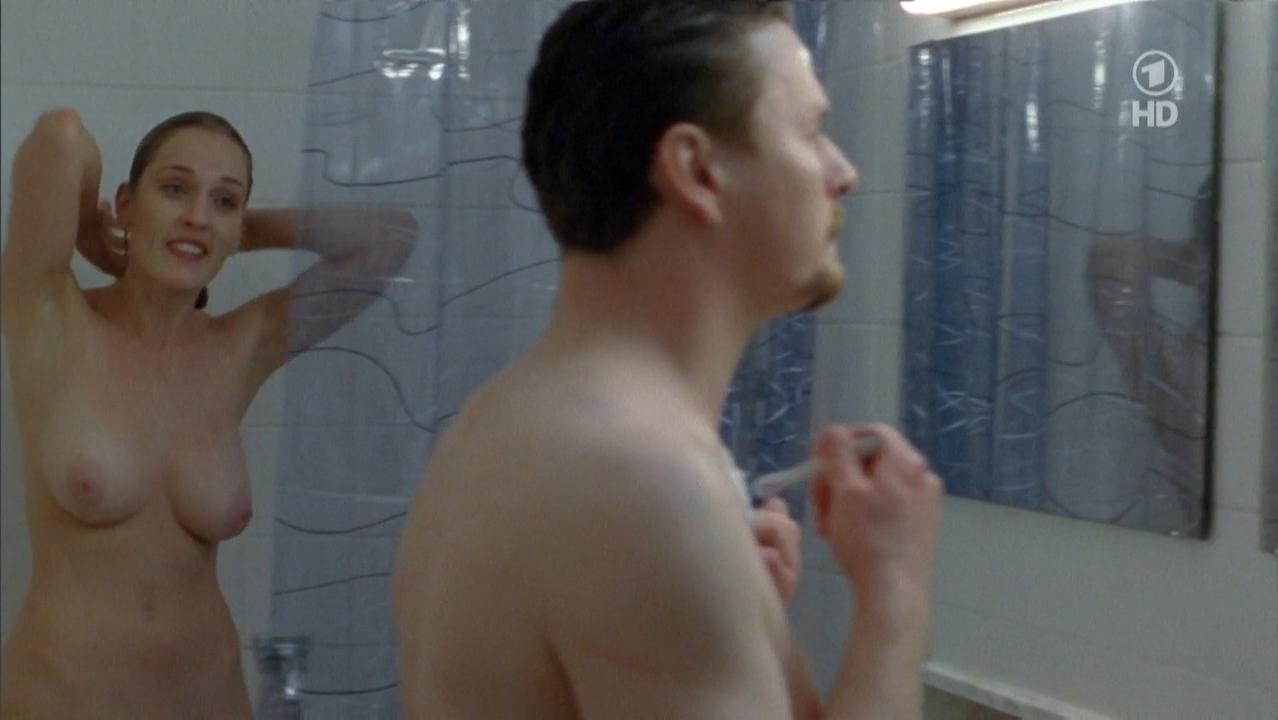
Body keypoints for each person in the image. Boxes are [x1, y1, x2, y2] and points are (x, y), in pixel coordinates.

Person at [392, 2, 943, 719]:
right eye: (811, 131)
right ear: (697, 170)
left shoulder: (508, 421)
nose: (843, 173)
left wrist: (753, 621)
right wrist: (895, 592)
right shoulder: (637, 476)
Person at [0, 109, 415, 718]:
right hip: (64, 699)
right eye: (175, 189)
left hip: (211, 699)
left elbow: (389, 239)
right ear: (128, 203)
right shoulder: (51, 318)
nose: (198, 215)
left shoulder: (240, 347)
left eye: (224, 201)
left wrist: (246, 231)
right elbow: (60, 138)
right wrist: (90, 229)